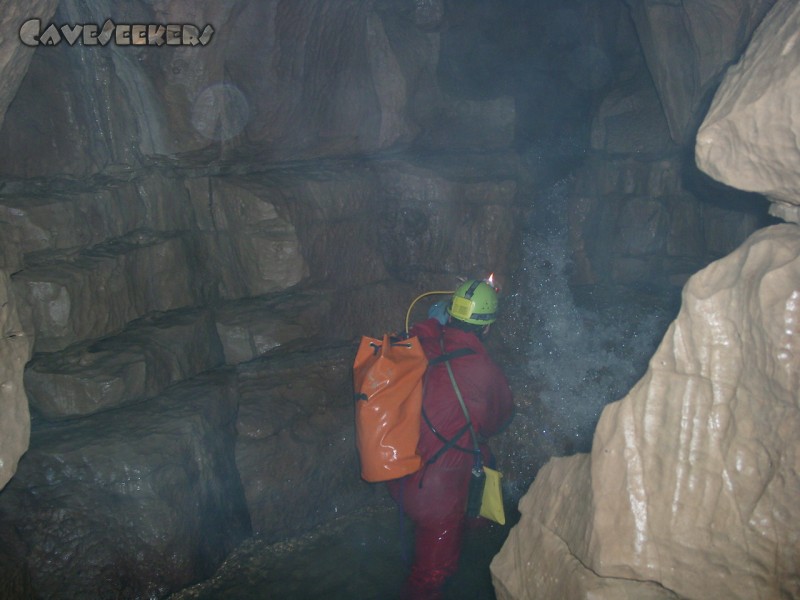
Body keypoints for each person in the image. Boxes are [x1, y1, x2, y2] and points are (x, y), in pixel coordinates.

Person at [387, 279, 515, 600]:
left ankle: (468, 528)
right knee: (429, 579)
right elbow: (499, 419)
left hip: (398, 471)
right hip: (435, 496)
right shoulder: (483, 369)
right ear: (487, 328)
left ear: (448, 315)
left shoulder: (420, 343)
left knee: (482, 457)